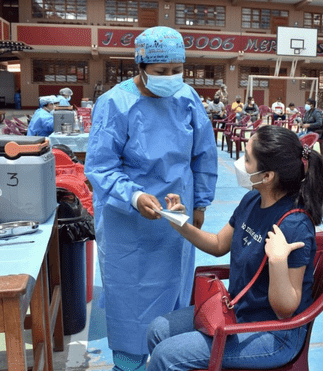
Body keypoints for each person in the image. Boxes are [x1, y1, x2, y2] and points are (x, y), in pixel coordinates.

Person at [84, 26, 218, 371]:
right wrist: (135, 195)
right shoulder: (115, 103)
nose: (171, 78)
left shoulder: (187, 98)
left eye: (177, 70)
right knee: (129, 300)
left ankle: (168, 359)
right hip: (126, 224)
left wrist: (201, 202)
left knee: (174, 293)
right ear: (141, 66)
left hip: (176, 219)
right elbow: (100, 166)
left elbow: (204, 153)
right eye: (162, 72)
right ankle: (128, 364)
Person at [145, 124, 323, 371]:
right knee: (158, 330)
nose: (240, 163)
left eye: (247, 159)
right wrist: (180, 224)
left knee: (165, 356)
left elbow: (285, 310)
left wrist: (277, 261)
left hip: (274, 334)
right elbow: (219, 244)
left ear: (268, 176)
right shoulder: (252, 200)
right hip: (238, 310)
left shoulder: (294, 225)